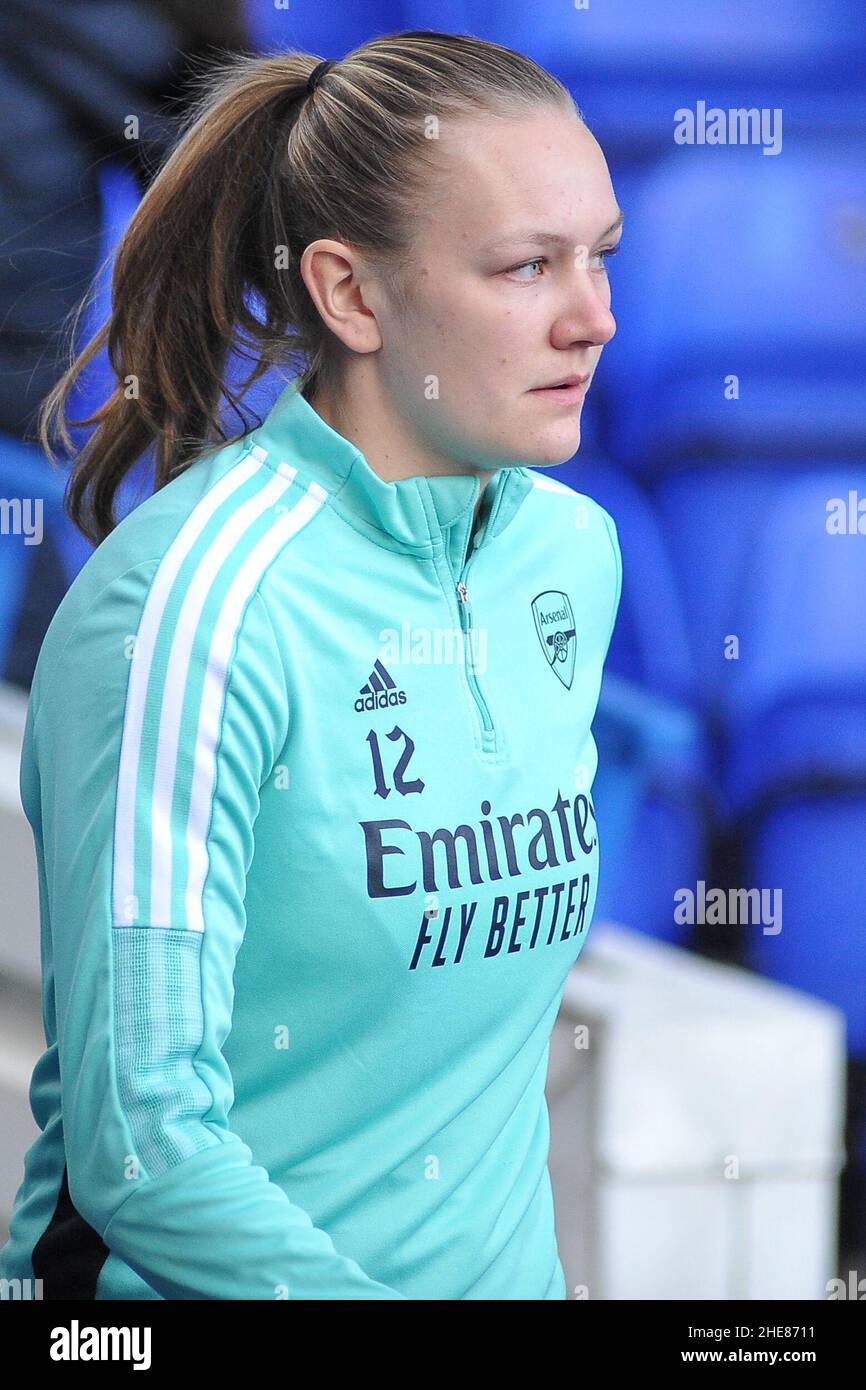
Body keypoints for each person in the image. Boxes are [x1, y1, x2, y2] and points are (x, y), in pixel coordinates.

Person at [0, 31, 623, 1300]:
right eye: (526, 267)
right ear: (349, 296)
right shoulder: (187, 607)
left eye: (602, 255)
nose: (593, 318)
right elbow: (145, 1149)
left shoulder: (574, 552)